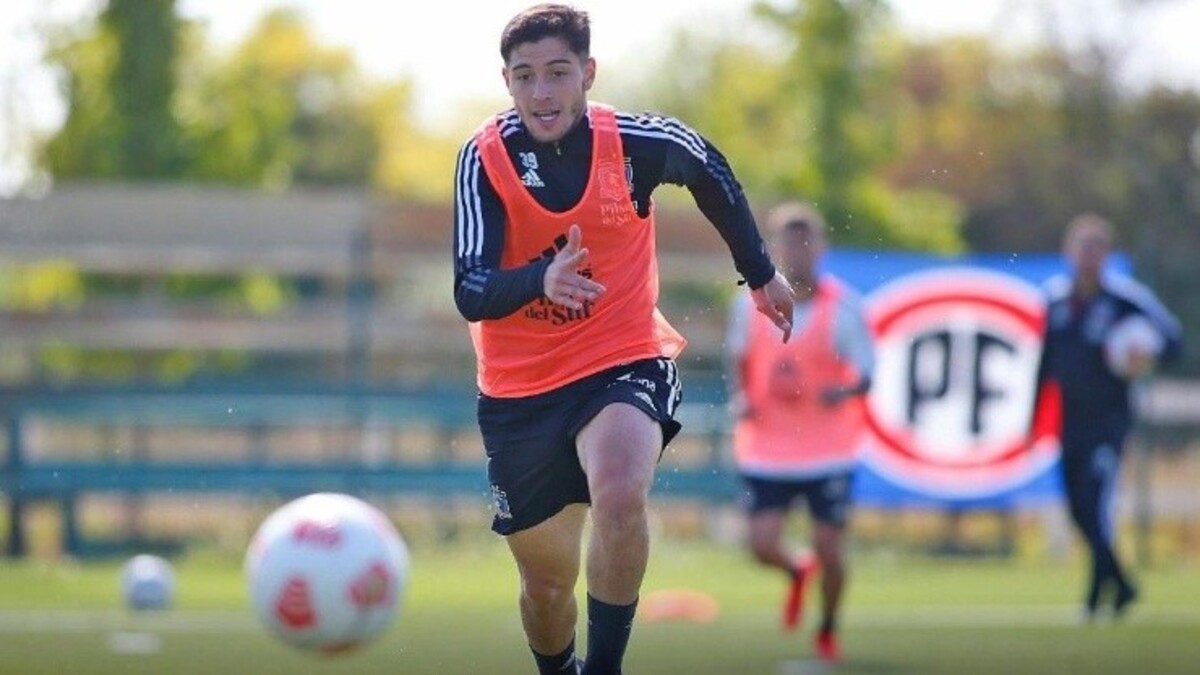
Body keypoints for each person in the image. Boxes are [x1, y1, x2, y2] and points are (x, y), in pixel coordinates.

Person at [451, 5, 796, 673]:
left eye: (557, 73)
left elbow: (707, 167)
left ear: (588, 72)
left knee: (617, 488)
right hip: (520, 390)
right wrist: (539, 280)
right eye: (525, 77)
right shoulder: (485, 157)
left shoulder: (632, 141)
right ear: (507, 82)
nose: (542, 92)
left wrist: (759, 272)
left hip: (622, 355)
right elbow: (470, 286)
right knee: (547, 587)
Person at [725, 202, 874, 662]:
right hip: (768, 445)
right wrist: (742, 396)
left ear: (821, 246)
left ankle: (827, 629)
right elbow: (739, 357)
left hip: (827, 447)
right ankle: (795, 571)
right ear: (774, 248)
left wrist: (845, 391)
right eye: (789, 241)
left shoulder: (844, 307)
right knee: (761, 544)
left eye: (806, 240)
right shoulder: (747, 304)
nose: (797, 250)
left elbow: (867, 373)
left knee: (831, 546)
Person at [1036, 213, 1182, 620]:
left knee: (1096, 503)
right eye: (1081, 247)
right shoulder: (1056, 300)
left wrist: (1145, 352)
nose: (1088, 257)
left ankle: (1095, 597)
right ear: (1068, 252)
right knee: (1076, 508)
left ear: (1107, 254)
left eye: (1096, 248)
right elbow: (1045, 362)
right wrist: (1033, 418)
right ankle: (1123, 586)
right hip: (1071, 421)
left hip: (1110, 420)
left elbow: (1173, 340)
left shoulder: (1126, 299)